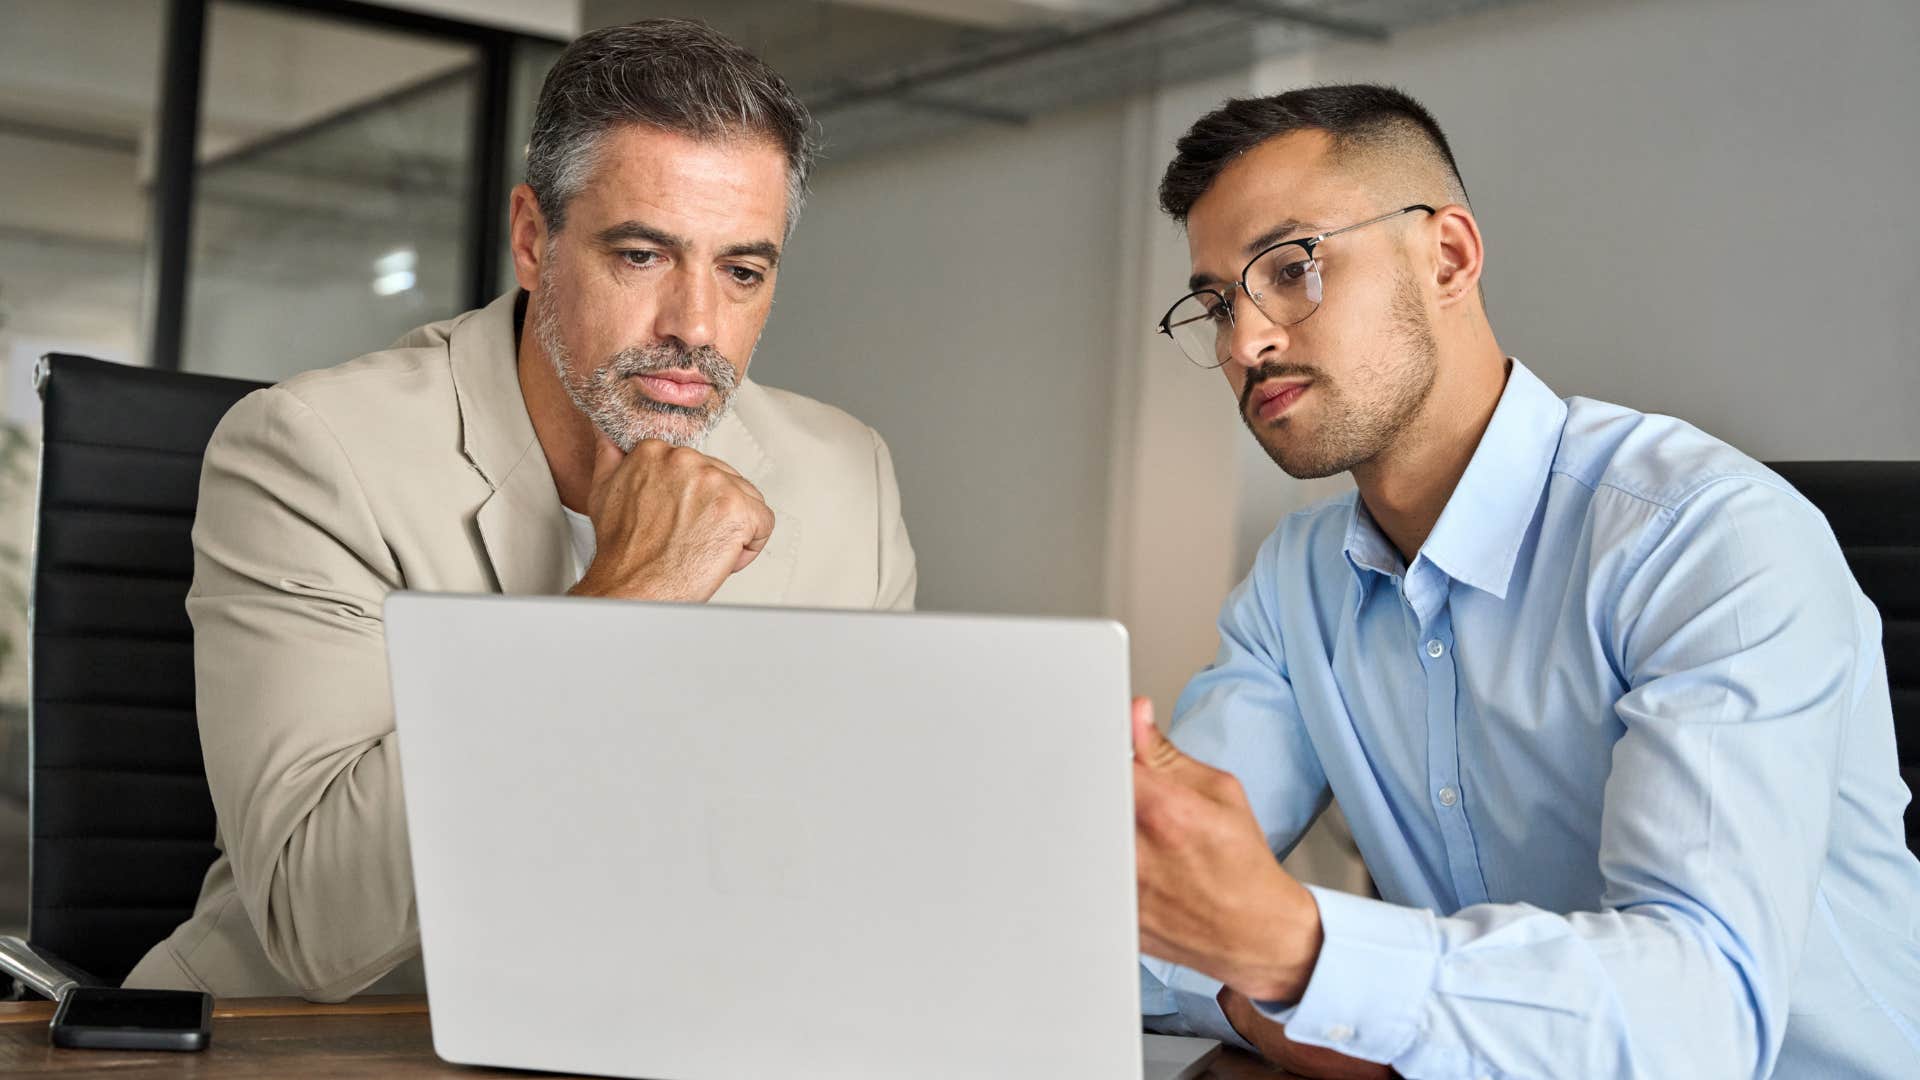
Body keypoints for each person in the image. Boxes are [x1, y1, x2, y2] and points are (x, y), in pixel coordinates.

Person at [1130, 84, 1920, 1078]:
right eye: (1214, 303)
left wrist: (1306, 963)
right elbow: (1152, 922)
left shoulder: (1706, 542)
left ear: (1449, 256)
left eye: (1291, 269)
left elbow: (1698, 1016)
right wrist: (1281, 985)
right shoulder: (1296, 588)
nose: (1244, 343)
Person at [125, 19, 915, 1000]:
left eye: (742, 272)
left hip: (673, 1031)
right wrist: (638, 598)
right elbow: (319, 921)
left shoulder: (846, 476)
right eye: (641, 256)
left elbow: (864, 851)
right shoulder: (312, 452)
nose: (695, 328)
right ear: (536, 239)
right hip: (330, 1041)